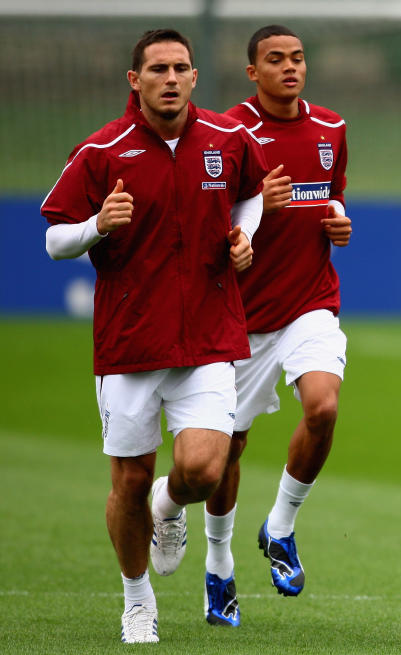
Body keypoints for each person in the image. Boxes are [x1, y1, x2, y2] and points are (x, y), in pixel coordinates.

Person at [40, 29, 269, 644]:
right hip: (131, 344)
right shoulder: (101, 150)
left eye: (181, 68)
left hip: (209, 336)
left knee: (204, 470)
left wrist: (244, 235)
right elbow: (54, 238)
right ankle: (137, 600)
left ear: (195, 77)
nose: (171, 78)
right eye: (158, 69)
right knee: (128, 482)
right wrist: (96, 224)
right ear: (133, 80)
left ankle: (169, 510)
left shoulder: (227, 139)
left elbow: (251, 197)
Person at [200, 25, 351, 627]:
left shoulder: (331, 128)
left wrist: (337, 220)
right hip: (238, 318)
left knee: (323, 408)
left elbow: (334, 195)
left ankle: (281, 525)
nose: (290, 68)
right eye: (275, 60)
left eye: (297, 58)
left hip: (309, 304)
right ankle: (218, 567)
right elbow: (208, 218)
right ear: (252, 72)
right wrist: (258, 203)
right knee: (223, 453)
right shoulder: (227, 134)